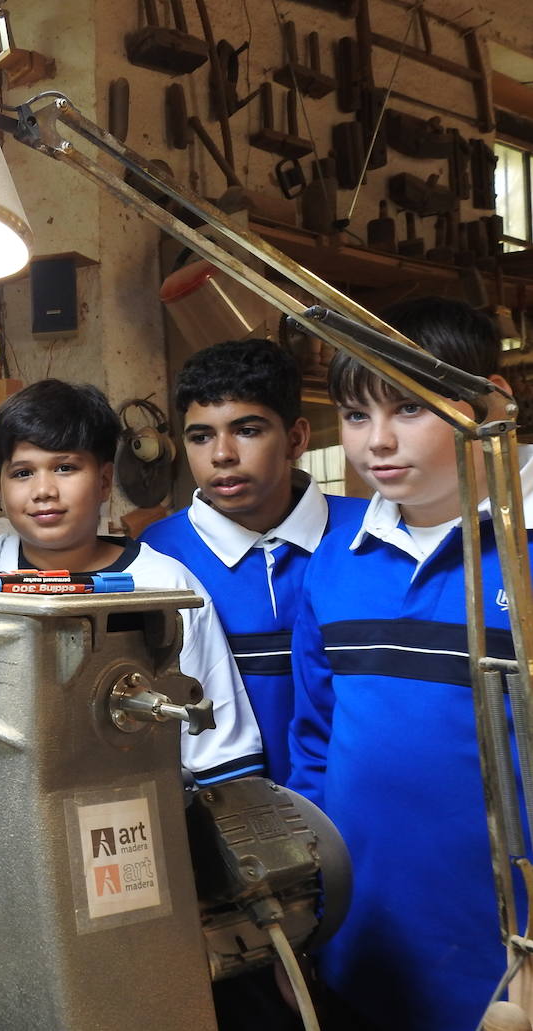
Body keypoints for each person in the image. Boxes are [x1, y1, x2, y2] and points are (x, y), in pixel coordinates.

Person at [289, 298, 529, 1031]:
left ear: (492, 401)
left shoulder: (523, 559)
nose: (377, 442)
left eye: (409, 410)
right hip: (363, 945)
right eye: (357, 415)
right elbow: (314, 741)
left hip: (505, 962)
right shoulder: (335, 561)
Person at [0, 379, 264, 787]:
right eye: (22, 473)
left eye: (65, 467)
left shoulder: (165, 585)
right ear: (0, 485)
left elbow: (221, 752)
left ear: (105, 481)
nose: (43, 491)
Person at [140, 339, 365, 786]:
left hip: (357, 811)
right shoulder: (157, 556)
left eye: (247, 430)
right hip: (216, 818)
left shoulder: (368, 537)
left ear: (296, 438)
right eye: (201, 436)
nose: (222, 454)